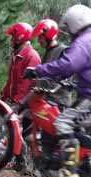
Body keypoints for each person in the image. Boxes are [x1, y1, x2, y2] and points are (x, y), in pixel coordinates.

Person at [24, 4, 91, 177]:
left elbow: (67, 65)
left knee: (62, 122)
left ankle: (69, 172)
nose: (69, 33)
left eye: (69, 28)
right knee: (74, 128)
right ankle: (82, 165)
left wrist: (38, 71)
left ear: (76, 24)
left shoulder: (84, 42)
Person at [31, 18, 74, 160]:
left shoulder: (63, 50)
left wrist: (63, 80)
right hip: (47, 103)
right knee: (46, 142)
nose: (39, 41)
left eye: (41, 37)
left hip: (59, 104)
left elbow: (68, 72)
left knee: (56, 144)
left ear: (49, 35)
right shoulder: (47, 53)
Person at [2, 22, 41, 171]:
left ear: (20, 37)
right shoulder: (17, 55)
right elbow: (12, 79)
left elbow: (26, 84)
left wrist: (16, 103)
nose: (11, 40)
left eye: (13, 37)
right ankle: (19, 163)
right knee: (15, 133)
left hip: (27, 102)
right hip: (17, 101)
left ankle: (27, 166)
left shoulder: (31, 56)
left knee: (25, 135)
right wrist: (5, 93)